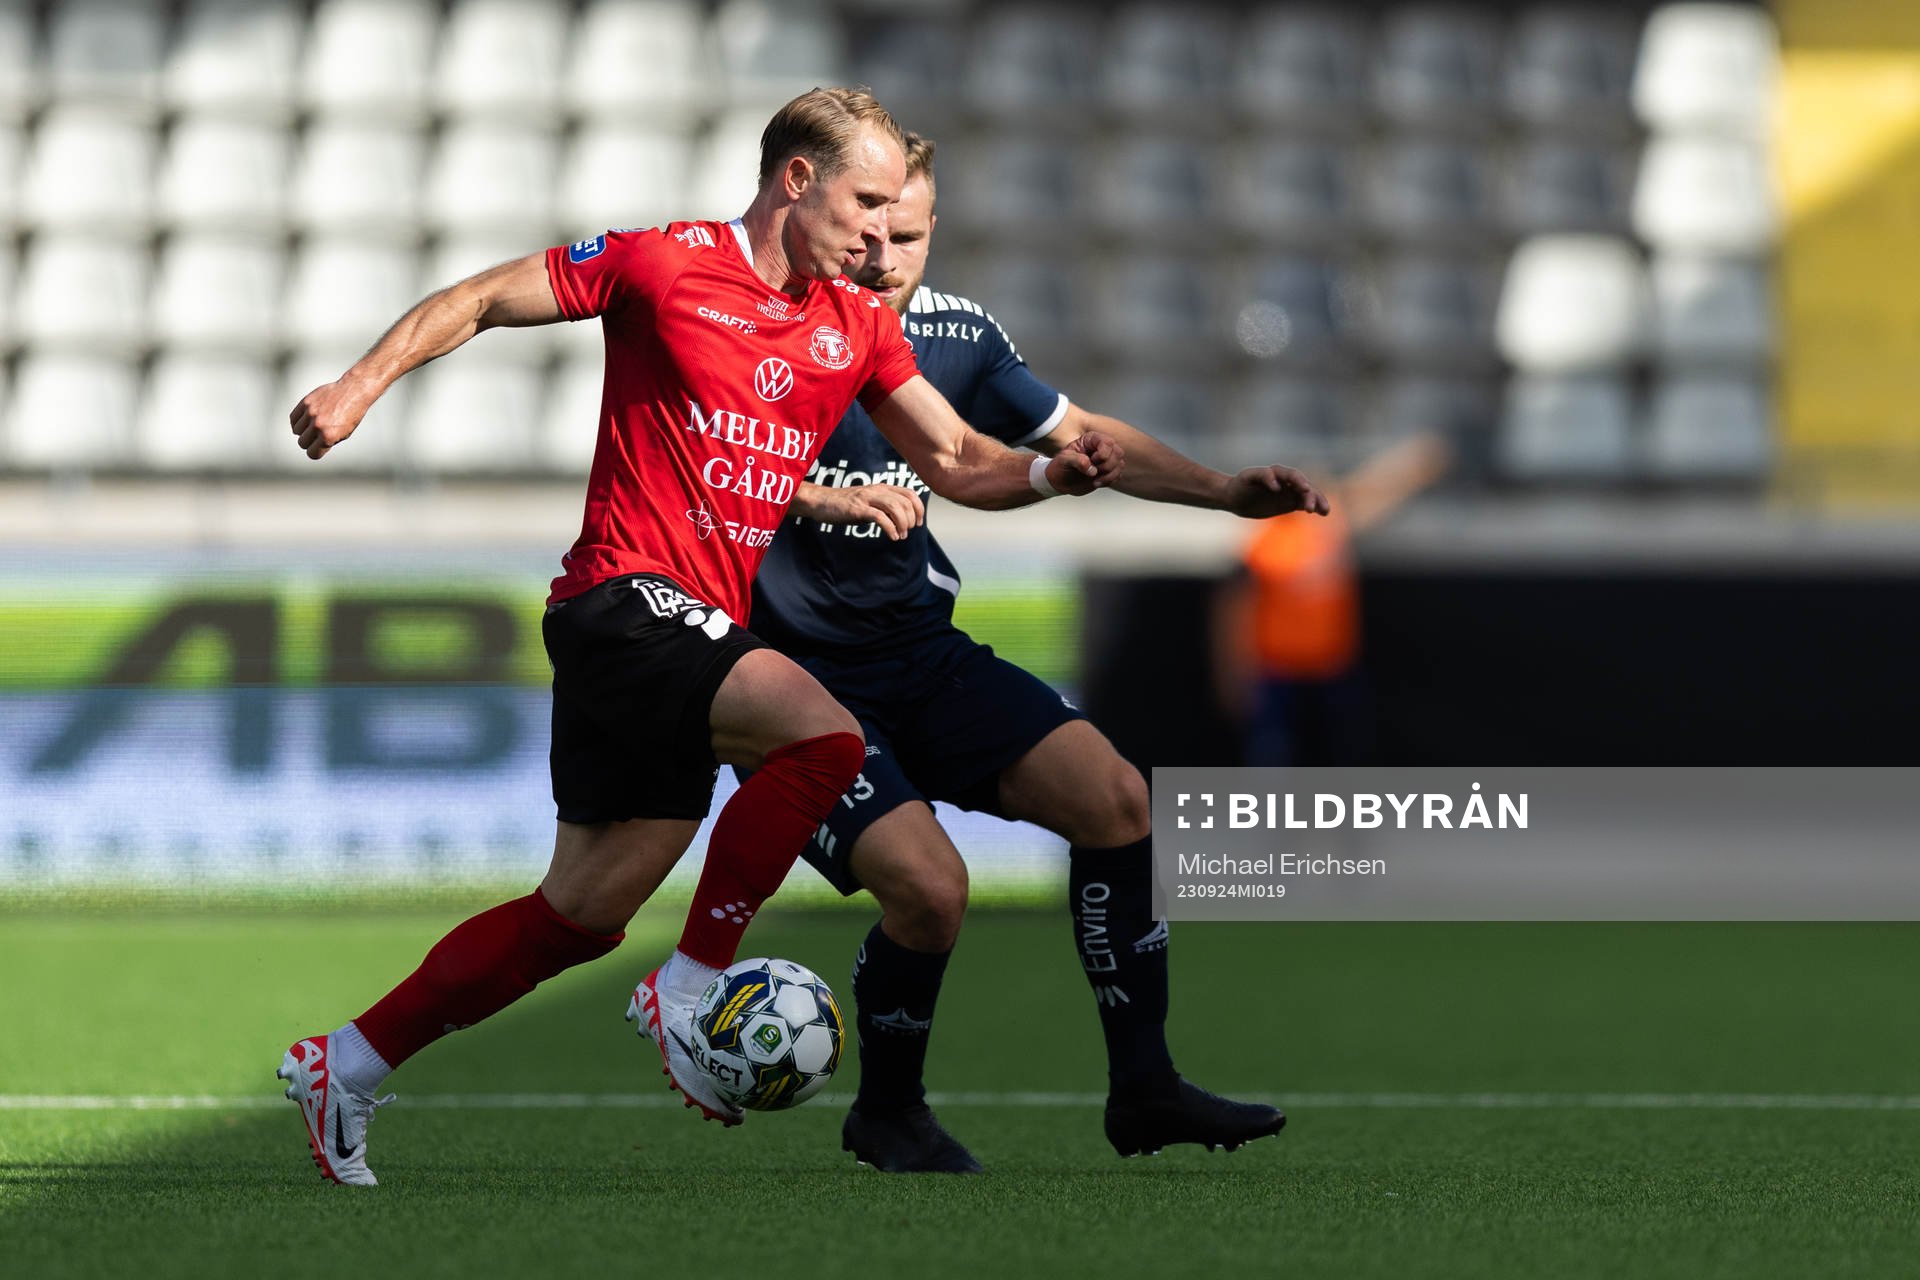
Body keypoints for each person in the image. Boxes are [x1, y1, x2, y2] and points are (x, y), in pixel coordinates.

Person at [274, 90, 1122, 1186]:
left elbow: (958, 456)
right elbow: (480, 297)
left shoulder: (857, 323)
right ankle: (688, 987)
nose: (882, 233)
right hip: (620, 597)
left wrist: (1051, 472)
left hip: (690, 636)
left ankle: (345, 1062)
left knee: (579, 914)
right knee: (825, 737)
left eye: (894, 213)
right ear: (797, 180)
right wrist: (358, 386)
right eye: (866, 202)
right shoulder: (662, 263)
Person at [743, 133, 1327, 1173]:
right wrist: (825, 496)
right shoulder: (756, 329)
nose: (882, 254)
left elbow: (1077, 434)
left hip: (918, 653)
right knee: (932, 890)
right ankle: (888, 1109)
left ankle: (1144, 1086)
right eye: (869, 227)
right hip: (783, 679)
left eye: (907, 234)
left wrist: (1224, 492)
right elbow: (697, 461)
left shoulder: (958, 337)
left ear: (932, 230)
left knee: (1117, 800)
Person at [1215, 434, 1451, 766]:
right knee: (1273, 757)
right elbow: (1233, 612)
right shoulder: (1264, 538)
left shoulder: (1329, 528)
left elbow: (1372, 489)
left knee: (1339, 754)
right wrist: (1234, 674)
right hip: (1277, 673)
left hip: (1331, 668)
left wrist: (1415, 464)